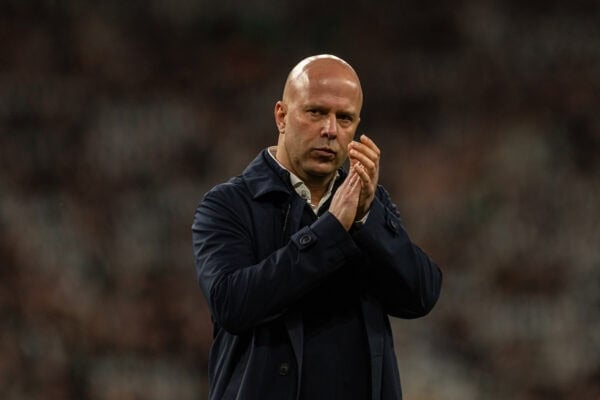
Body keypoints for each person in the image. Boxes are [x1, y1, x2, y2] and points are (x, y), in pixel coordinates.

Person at [192, 54, 442, 400]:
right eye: (316, 112)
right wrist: (331, 231)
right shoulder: (229, 205)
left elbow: (420, 295)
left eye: (345, 118)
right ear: (281, 115)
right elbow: (231, 304)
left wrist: (368, 219)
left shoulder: (367, 202)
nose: (330, 130)